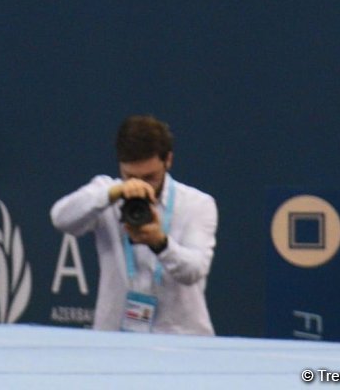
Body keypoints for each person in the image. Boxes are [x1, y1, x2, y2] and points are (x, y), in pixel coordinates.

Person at [50, 114, 217, 335]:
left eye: (149, 177)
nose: (139, 185)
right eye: (130, 176)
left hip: (181, 339)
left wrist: (160, 243)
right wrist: (112, 194)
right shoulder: (105, 195)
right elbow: (60, 218)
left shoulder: (197, 204)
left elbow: (195, 271)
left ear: (168, 160)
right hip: (115, 338)